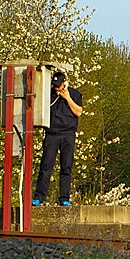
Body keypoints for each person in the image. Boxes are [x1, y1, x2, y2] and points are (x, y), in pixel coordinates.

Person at [32, 71, 83, 206]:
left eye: (58, 85)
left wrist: (67, 97)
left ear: (64, 83)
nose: (56, 88)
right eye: (54, 86)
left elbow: (78, 112)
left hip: (68, 135)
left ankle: (64, 198)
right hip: (52, 134)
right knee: (46, 165)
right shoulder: (48, 95)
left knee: (66, 167)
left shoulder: (75, 94)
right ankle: (39, 197)